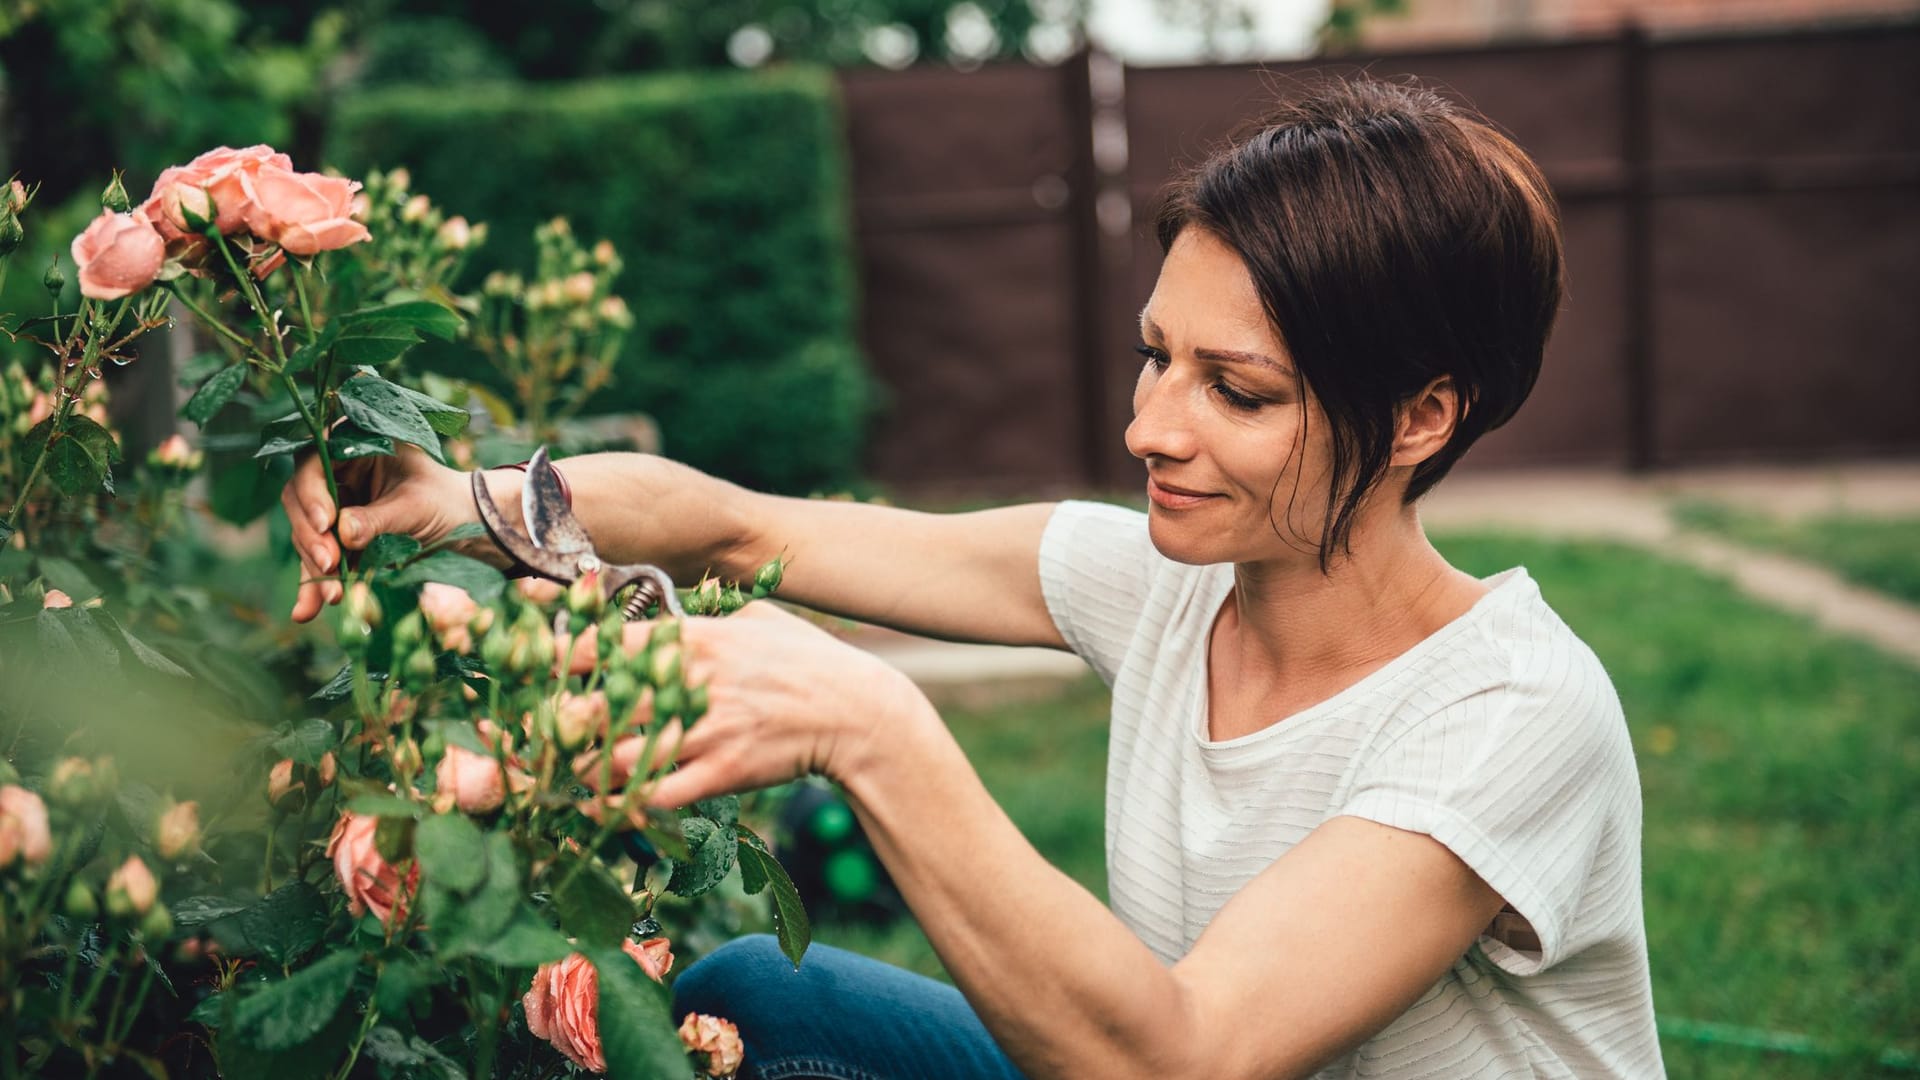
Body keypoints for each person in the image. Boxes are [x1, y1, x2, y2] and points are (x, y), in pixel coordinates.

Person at [284, 76, 1663, 1078]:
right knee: (755, 998)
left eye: (1236, 391)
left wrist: (871, 729)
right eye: (1156, 354)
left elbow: (1184, 1059)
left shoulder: (1509, 715)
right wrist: (455, 499)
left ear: (1423, 417)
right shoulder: (1172, 582)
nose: (1149, 427)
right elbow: (730, 528)